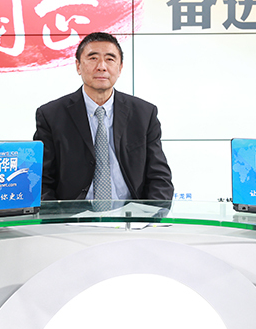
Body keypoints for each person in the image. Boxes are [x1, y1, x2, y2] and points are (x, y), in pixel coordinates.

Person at [33, 31, 174, 202]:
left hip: (130, 214)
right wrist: (57, 215)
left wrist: (150, 215)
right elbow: (41, 180)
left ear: (120, 68)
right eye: (93, 58)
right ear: (78, 66)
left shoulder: (144, 114)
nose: (101, 66)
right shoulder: (51, 115)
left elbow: (159, 178)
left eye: (110, 59)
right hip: (73, 215)